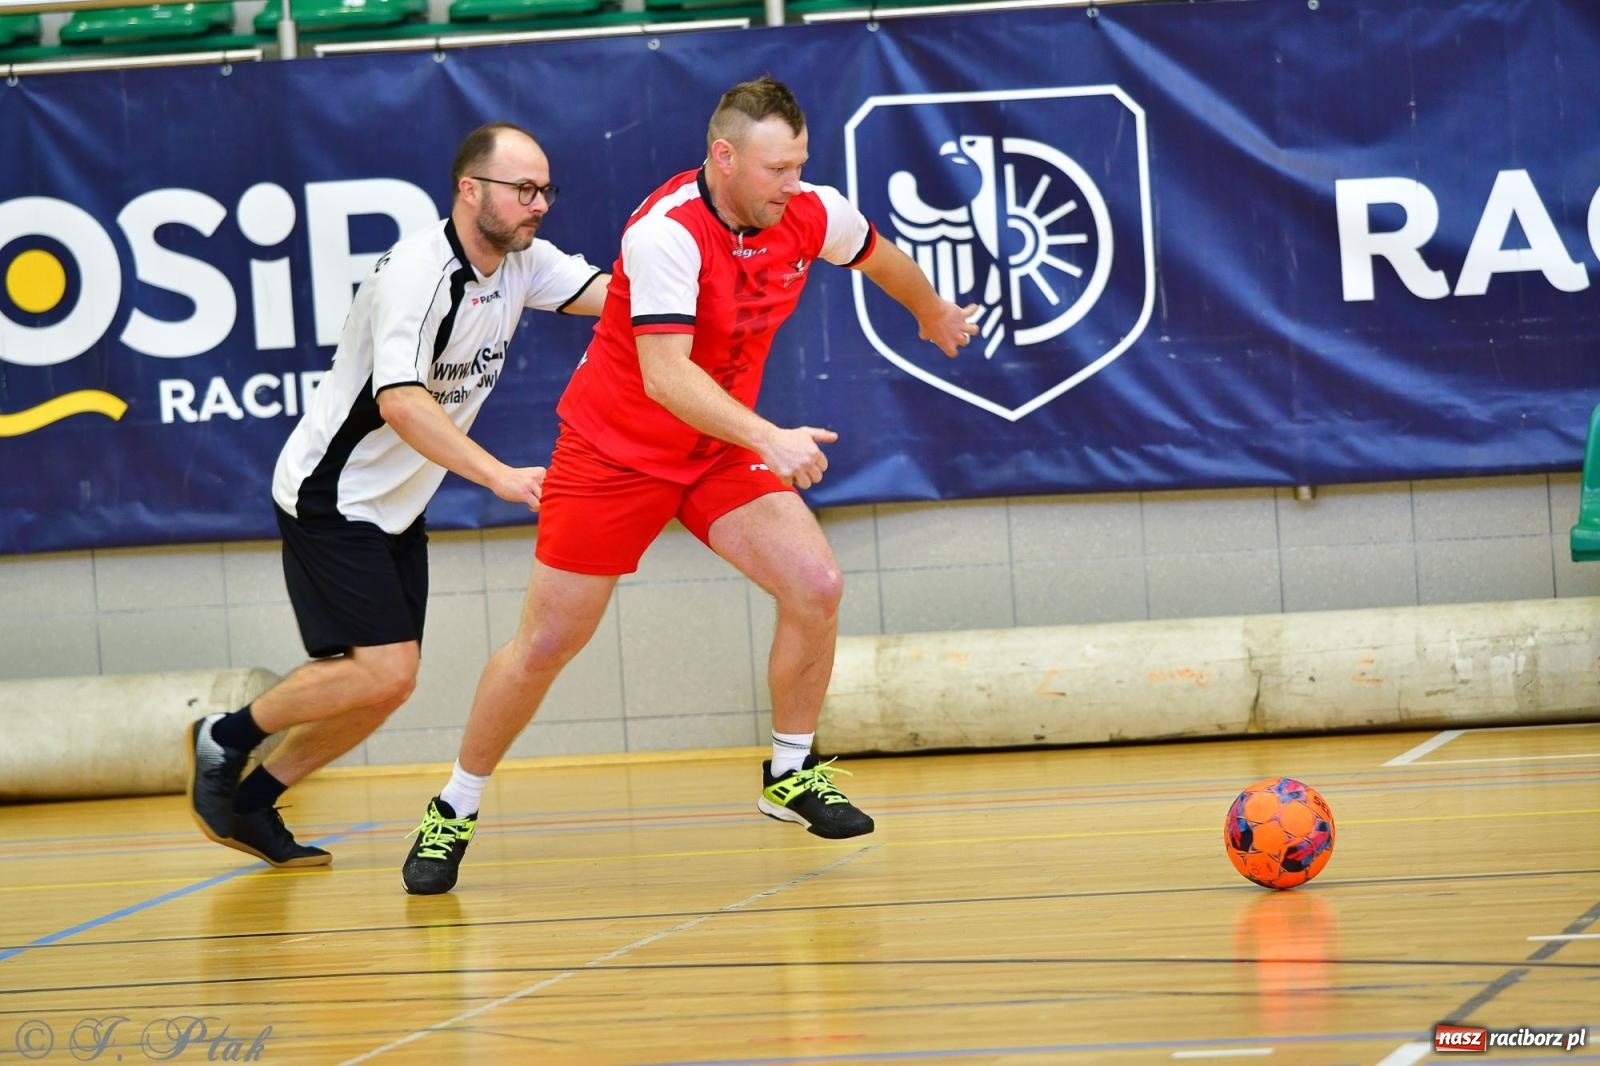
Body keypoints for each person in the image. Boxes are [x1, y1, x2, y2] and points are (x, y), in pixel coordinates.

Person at [400, 76, 977, 895]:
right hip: (613, 456)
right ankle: (453, 808)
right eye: (777, 168)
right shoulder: (666, 233)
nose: (793, 182)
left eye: (801, 164)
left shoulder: (811, 211)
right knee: (547, 644)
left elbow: (879, 257)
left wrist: (931, 311)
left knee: (816, 584)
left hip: (715, 449)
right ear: (724, 156)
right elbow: (667, 378)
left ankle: (790, 771)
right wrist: (770, 435)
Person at [184, 122, 608, 869]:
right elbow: (403, 403)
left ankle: (250, 804)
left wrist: (695, 285)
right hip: (332, 494)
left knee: (387, 686)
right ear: (470, 190)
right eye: (523, 190)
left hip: (395, 505)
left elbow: (617, 298)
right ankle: (227, 735)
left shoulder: (523, 263)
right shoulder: (417, 272)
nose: (539, 204)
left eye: (546, 189)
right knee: (385, 670)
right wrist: (501, 477)